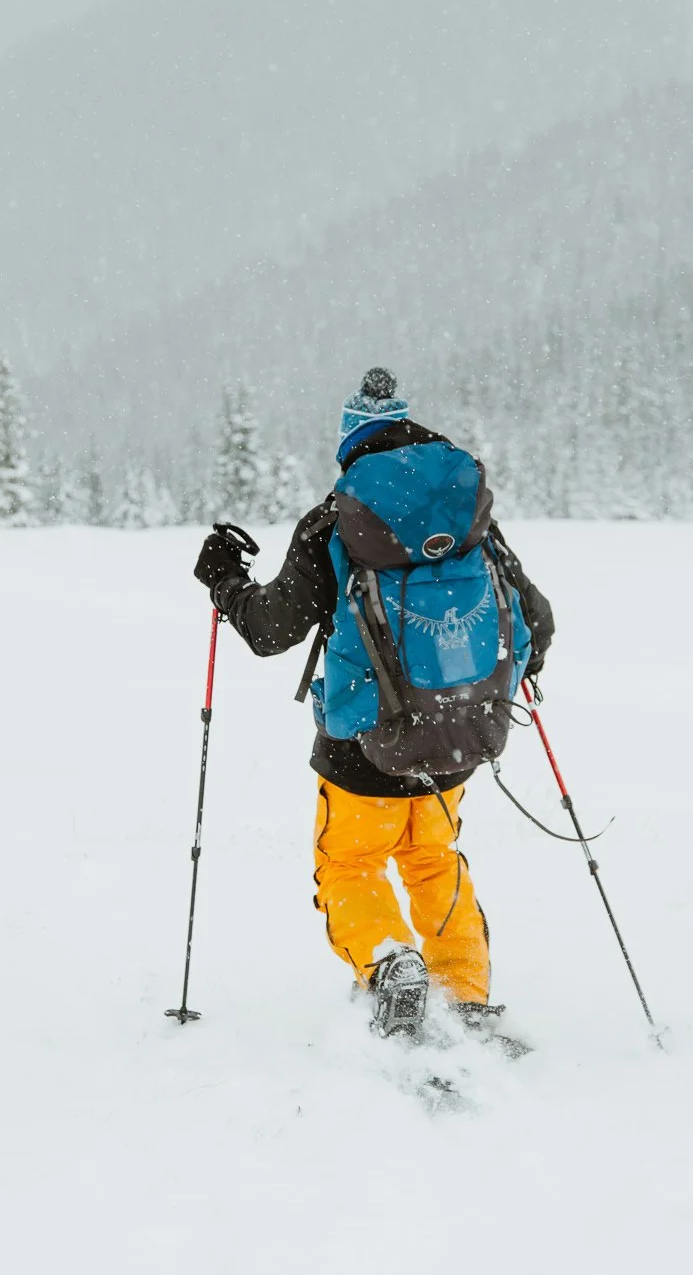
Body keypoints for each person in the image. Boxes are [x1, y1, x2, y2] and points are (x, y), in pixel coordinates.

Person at [193, 368, 554, 1039]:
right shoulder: (470, 513)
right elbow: (537, 618)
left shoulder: (337, 519)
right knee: (435, 860)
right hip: (459, 741)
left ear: (350, 445)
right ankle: (466, 993)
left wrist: (224, 580)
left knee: (349, 864)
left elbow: (272, 630)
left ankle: (390, 964)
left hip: (363, 748)